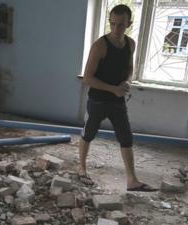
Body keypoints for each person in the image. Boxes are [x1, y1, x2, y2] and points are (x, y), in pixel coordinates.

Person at [78, 4, 157, 192]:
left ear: (129, 23)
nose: (115, 29)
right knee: (89, 133)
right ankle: (81, 168)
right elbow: (87, 79)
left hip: (118, 100)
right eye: (112, 24)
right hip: (98, 100)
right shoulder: (99, 45)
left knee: (126, 137)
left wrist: (128, 82)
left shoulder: (131, 44)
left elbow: (129, 69)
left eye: (120, 25)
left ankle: (132, 180)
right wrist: (113, 89)